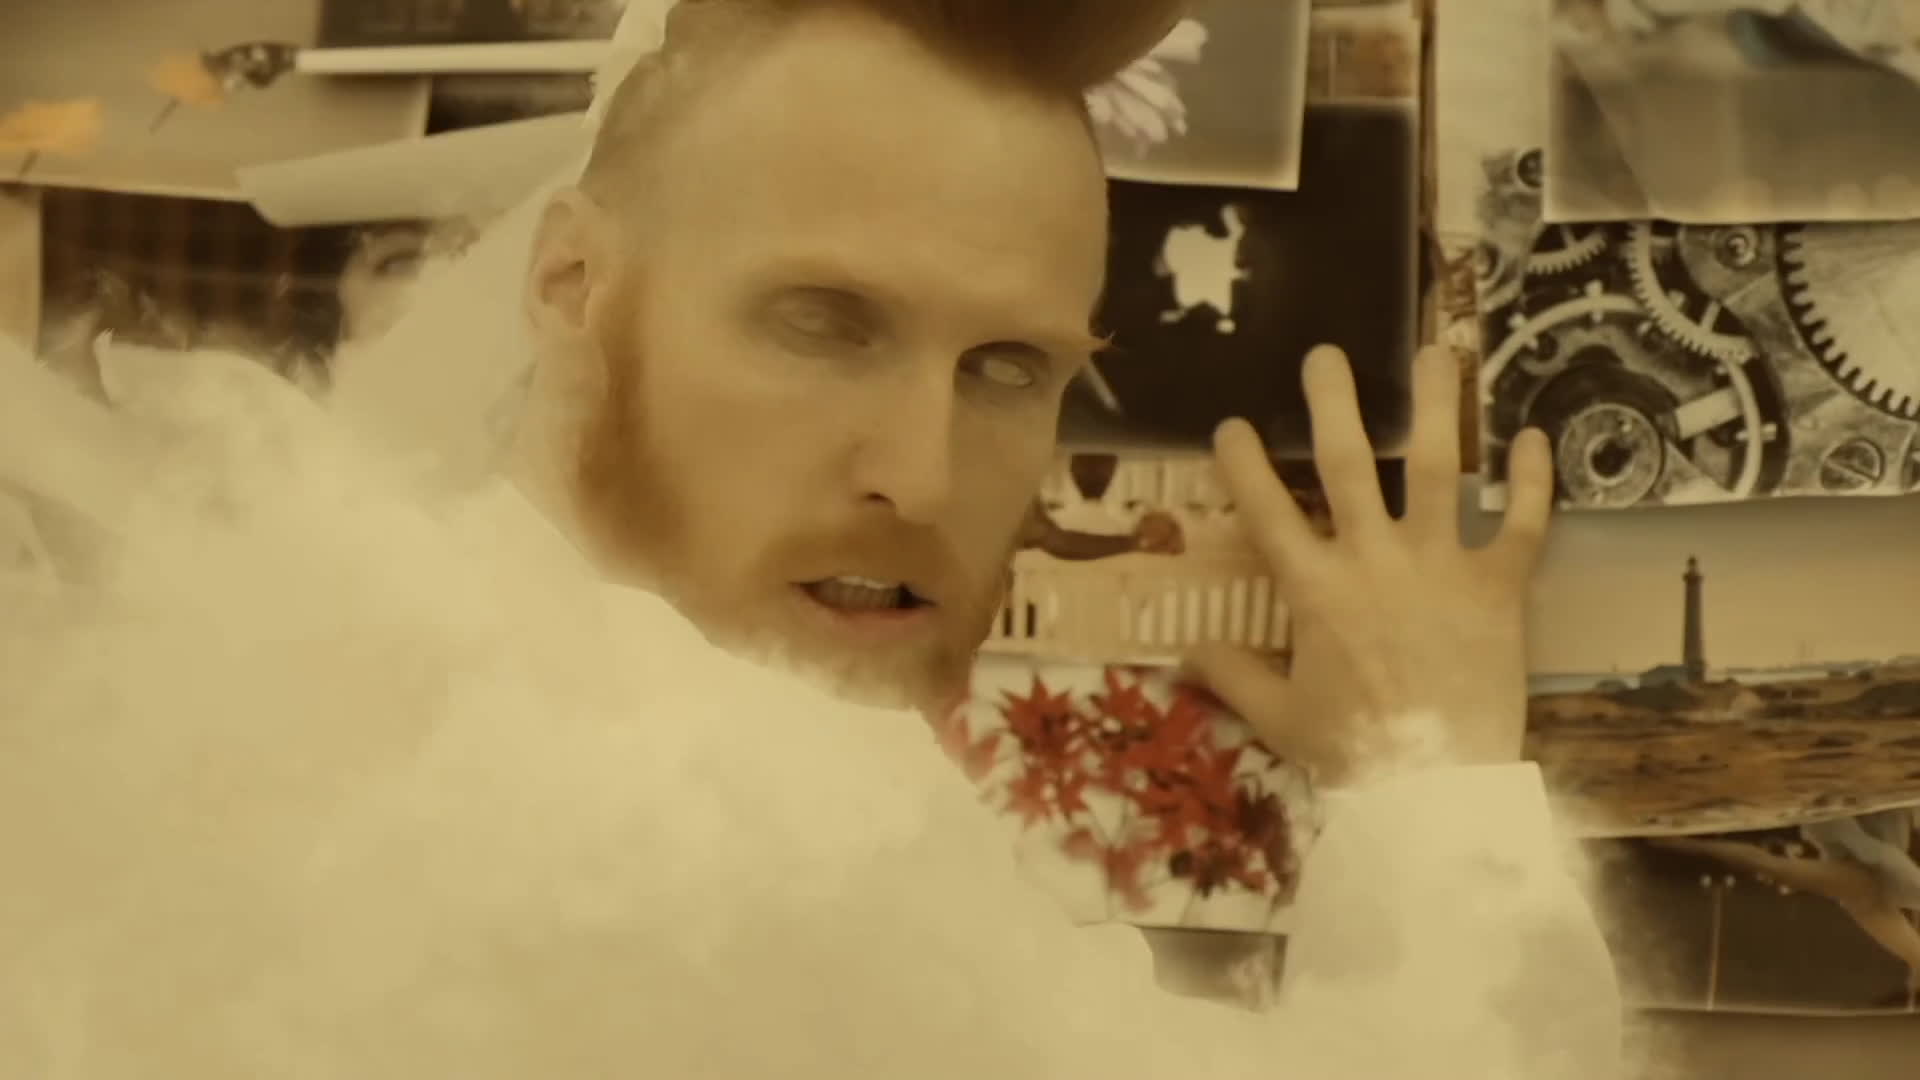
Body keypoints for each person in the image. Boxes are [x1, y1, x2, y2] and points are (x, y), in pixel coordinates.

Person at [0, 0, 1623, 1075]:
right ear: (570, 286)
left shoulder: (383, 623)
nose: (919, 472)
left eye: (1009, 368)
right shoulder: (659, 836)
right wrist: (1435, 762)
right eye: (824, 325)